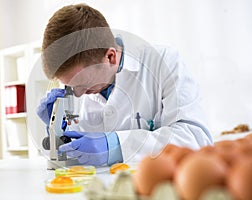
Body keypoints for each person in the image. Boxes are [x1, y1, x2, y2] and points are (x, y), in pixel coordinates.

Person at [37, 3, 213, 166]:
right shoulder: (78, 89)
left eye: (83, 84)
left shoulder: (164, 62)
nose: (77, 94)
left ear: (110, 57)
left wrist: (116, 146)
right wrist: (57, 133)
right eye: (70, 86)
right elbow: (80, 150)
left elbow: (195, 138)